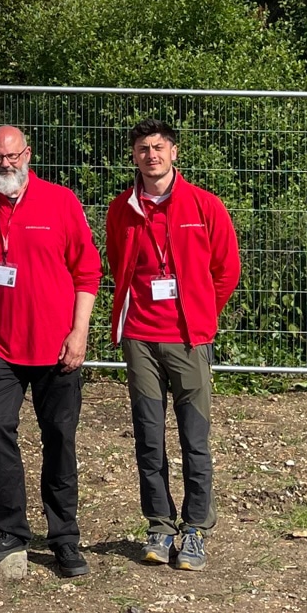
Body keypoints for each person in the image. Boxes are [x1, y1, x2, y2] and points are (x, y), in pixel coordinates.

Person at [0, 124, 101, 577]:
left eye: (12, 156)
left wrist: (79, 334)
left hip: (57, 347)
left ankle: (64, 538)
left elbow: (87, 274)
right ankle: (12, 528)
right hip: (0, 345)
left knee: (59, 440)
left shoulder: (60, 201)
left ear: (28, 155)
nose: (5, 164)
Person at [104, 118, 240, 570]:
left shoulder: (204, 206)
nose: (151, 156)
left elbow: (227, 269)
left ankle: (197, 528)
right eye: (143, 148)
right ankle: (160, 527)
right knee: (148, 436)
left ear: (174, 152)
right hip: (141, 337)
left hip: (188, 337)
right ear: (134, 156)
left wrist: (202, 311)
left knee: (194, 438)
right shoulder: (121, 209)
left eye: (159, 147)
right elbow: (117, 264)